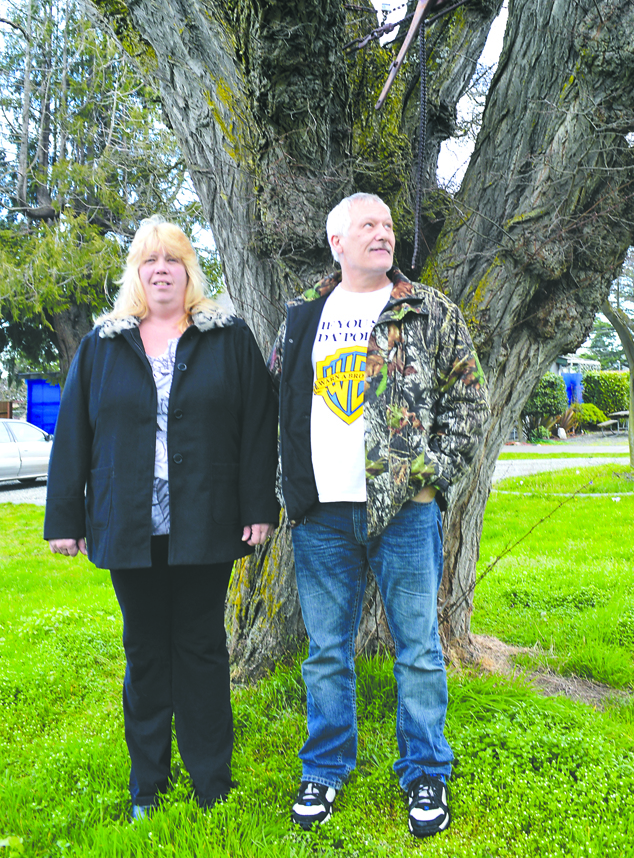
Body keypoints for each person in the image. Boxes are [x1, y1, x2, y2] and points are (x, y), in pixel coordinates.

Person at [268, 192, 489, 837]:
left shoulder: (428, 311)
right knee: (326, 651)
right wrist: (287, 489)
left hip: (403, 514)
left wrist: (426, 480)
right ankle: (325, 767)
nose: (384, 233)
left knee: (419, 647)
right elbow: (282, 406)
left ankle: (425, 772)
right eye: (368, 224)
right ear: (336, 241)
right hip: (319, 516)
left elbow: (470, 406)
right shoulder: (303, 316)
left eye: (389, 224)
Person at [44, 217, 279, 819]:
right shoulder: (103, 343)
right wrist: (65, 518)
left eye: (172, 259)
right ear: (136, 273)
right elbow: (73, 433)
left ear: (188, 269)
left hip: (205, 523)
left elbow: (257, 426)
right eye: (149, 261)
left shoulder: (226, 337)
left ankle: (210, 781)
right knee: (145, 651)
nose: (161, 270)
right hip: (129, 526)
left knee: (201, 646)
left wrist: (258, 507)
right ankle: (147, 785)